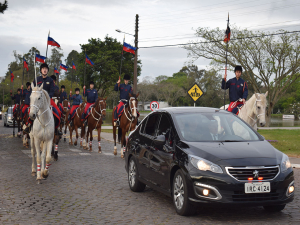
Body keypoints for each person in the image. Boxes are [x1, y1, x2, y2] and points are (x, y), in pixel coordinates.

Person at [24, 63, 62, 135]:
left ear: (47, 70)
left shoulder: (50, 80)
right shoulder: (37, 79)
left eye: (46, 69)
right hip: (38, 100)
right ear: (41, 70)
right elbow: (33, 90)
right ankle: (29, 125)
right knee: (30, 110)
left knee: (58, 111)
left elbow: (52, 90)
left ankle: (56, 128)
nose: (44, 70)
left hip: (48, 100)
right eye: (43, 69)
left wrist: (48, 96)